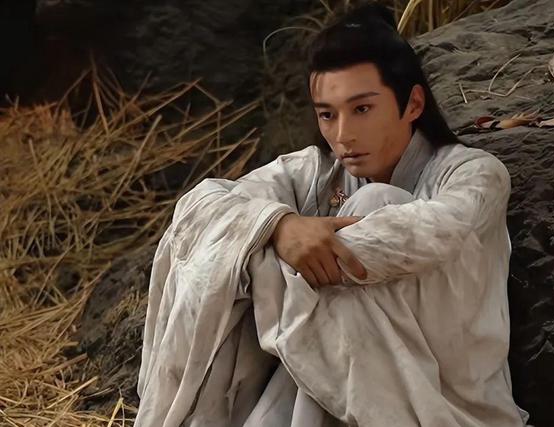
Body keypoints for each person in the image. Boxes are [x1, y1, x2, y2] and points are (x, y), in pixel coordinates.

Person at [135, 3, 530, 427]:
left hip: (445, 391)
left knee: (363, 211)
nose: (343, 135)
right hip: (330, 380)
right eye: (327, 114)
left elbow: (408, 241)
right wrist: (280, 226)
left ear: (413, 103)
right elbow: (199, 206)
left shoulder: (475, 175)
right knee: (237, 243)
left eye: (362, 109)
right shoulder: (317, 172)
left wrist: (275, 251)